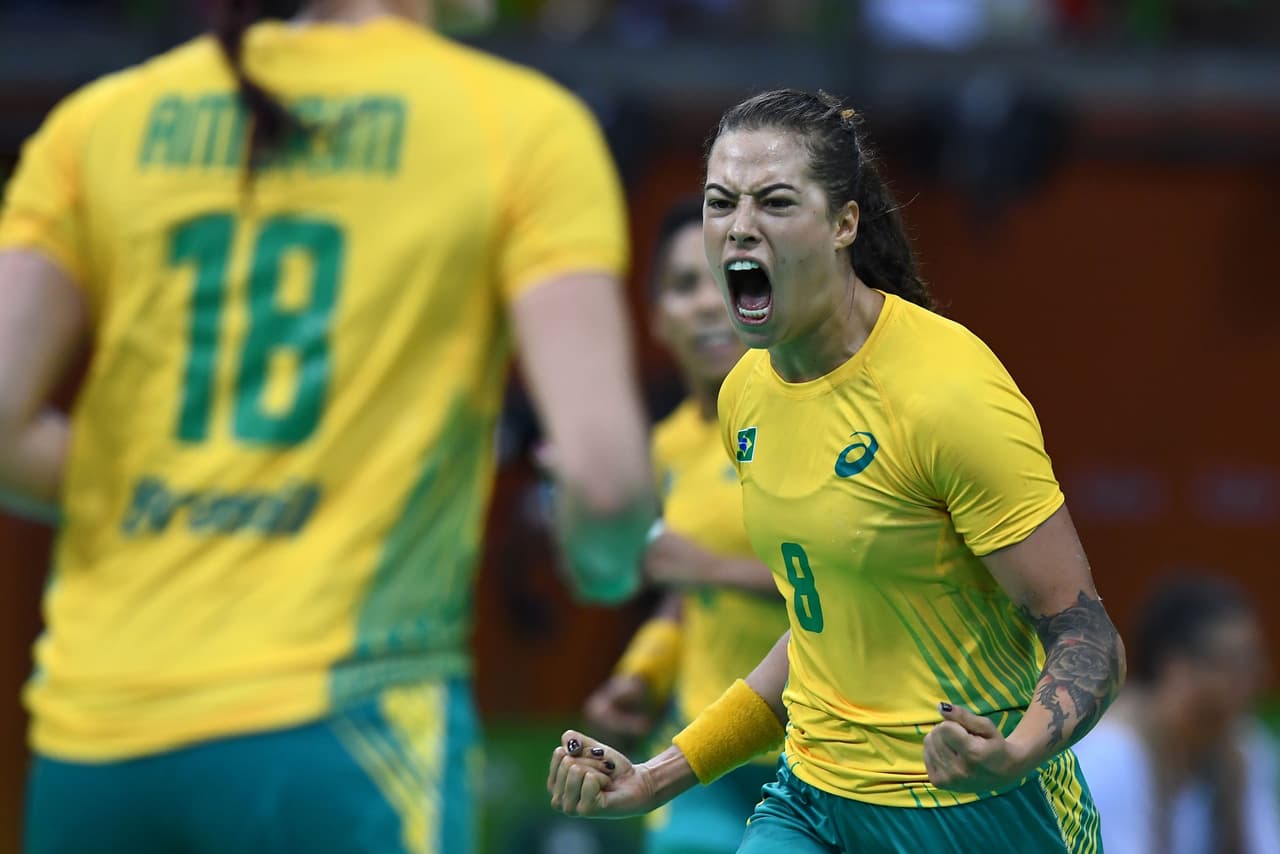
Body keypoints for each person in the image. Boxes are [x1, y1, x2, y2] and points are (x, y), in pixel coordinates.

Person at [0, 0, 658, 851]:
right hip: (348, 732)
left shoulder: (98, 121)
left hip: (97, 743)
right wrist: (604, 570)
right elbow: (607, 483)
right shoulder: (517, 124)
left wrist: (169, 500)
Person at [547, 88, 1126, 853]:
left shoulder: (947, 392)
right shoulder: (746, 397)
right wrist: (656, 776)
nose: (740, 227)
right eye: (720, 203)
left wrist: (1011, 753)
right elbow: (816, 632)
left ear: (844, 223)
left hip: (975, 814)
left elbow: (1087, 634)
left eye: (776, 202)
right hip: (812, 799)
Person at [582, 197, 788, 854]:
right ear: (657, 322)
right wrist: (637, 676)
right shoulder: (664, 449)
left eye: (725, 278)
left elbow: (863, 589)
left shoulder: (818, 427)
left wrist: (711, 568)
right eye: (683, 286)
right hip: (699, 752)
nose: (706, 302)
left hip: (821, 757)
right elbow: (684, 603)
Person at [1074, 575, 1280, 854]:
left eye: (1253, 663)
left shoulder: (1245, 748)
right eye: (1233, 664)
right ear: (1175, 668)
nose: (1254, 680)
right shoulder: (1110, 755)